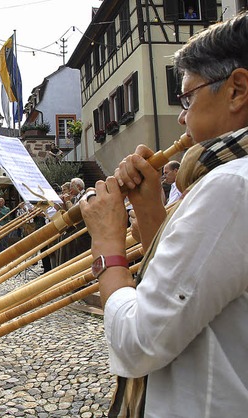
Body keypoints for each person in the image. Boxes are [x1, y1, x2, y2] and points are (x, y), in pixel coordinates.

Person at [80, 14, 248, 416]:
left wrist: (107, 246)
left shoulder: (231, 186)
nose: (182, 116)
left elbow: (139, 343)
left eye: (188, 97)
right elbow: (196, 290)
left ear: (237, 90)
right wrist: (150, 209)